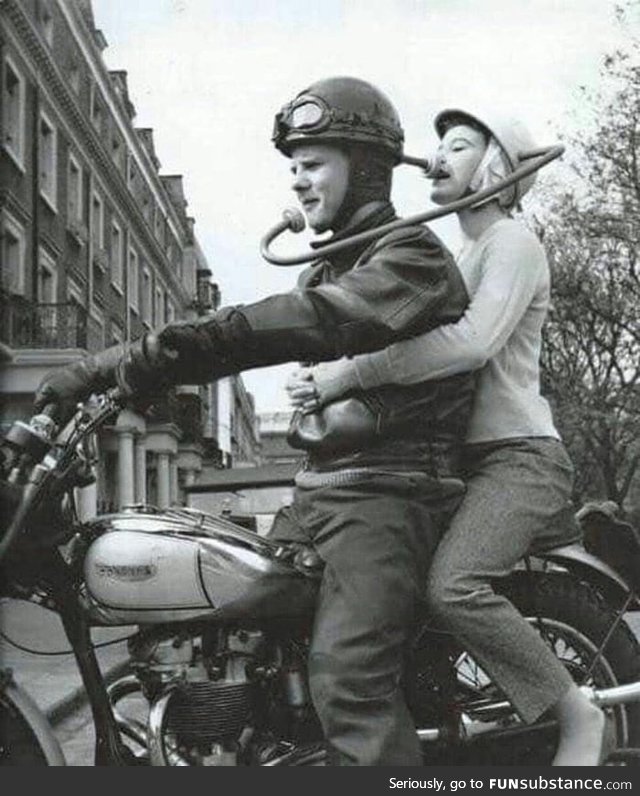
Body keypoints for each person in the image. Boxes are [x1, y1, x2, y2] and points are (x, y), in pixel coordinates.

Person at [34, 77, 476, 766]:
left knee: (349, 683)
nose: (298, 183)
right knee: (231, 619)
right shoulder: (332, 265)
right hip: (327, 492)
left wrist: (128, 362)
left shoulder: (408, 258)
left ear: (365, 167)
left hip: (390, 495)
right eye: (293, 167)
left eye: (314, 163)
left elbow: (297, 325)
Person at [286, 107, 607, 766]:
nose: (438, 155)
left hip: (518, 458)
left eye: (458, 145)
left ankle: (578, 714)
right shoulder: (461, 253)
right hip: (462, 460)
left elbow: (470, 343)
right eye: (437, 144)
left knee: (453, 587)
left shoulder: (511, 243)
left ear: (494, 170)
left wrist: (347, 375)